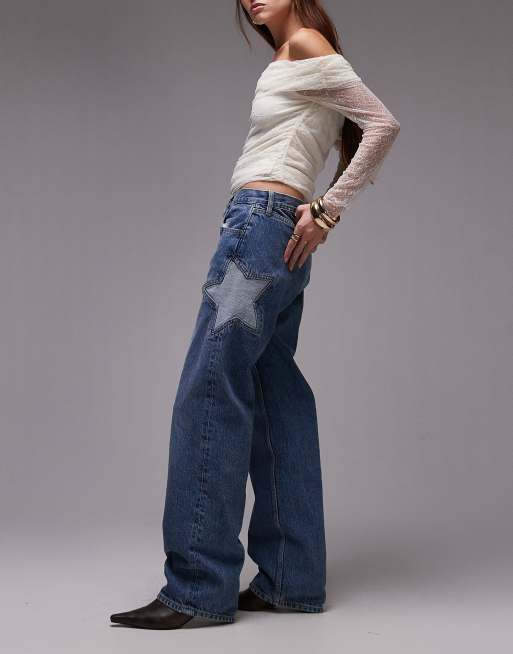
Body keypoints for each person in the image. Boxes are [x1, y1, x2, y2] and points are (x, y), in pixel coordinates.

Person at [110, 0, 400, 629]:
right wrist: (315, 212)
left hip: (260, 229)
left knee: (209, 394)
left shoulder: (307, 44)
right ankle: (291, 579)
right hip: (274, 233)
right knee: (274, 397)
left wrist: (328, 210)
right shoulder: (297, 54)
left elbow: (380, 124)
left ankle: (197, 588)